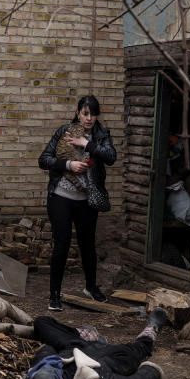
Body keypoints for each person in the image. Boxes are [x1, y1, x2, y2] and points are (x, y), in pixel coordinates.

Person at [38, 95, 117, 311]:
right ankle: (54, 295)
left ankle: (90, 288)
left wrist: (87, 144)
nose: (89, 118)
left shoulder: (101, 134)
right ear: (77, 112)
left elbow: (111, 157)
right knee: (61, 245)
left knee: (88, 245)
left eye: (93, 114)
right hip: (61, 197)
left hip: (86, 200)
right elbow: (43, 159)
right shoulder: (64, 131)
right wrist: (68, 164)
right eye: (85, 113)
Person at [19, 308, 167, 379]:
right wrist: (151, 372)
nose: (52, 368)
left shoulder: (44, 369)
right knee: (138, 350)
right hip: (113, 357)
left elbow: (47, 350)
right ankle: (151, 331)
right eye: (54, 374)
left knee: (41, 323)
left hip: (74, 345)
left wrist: (66, 341)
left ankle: (86, 334)